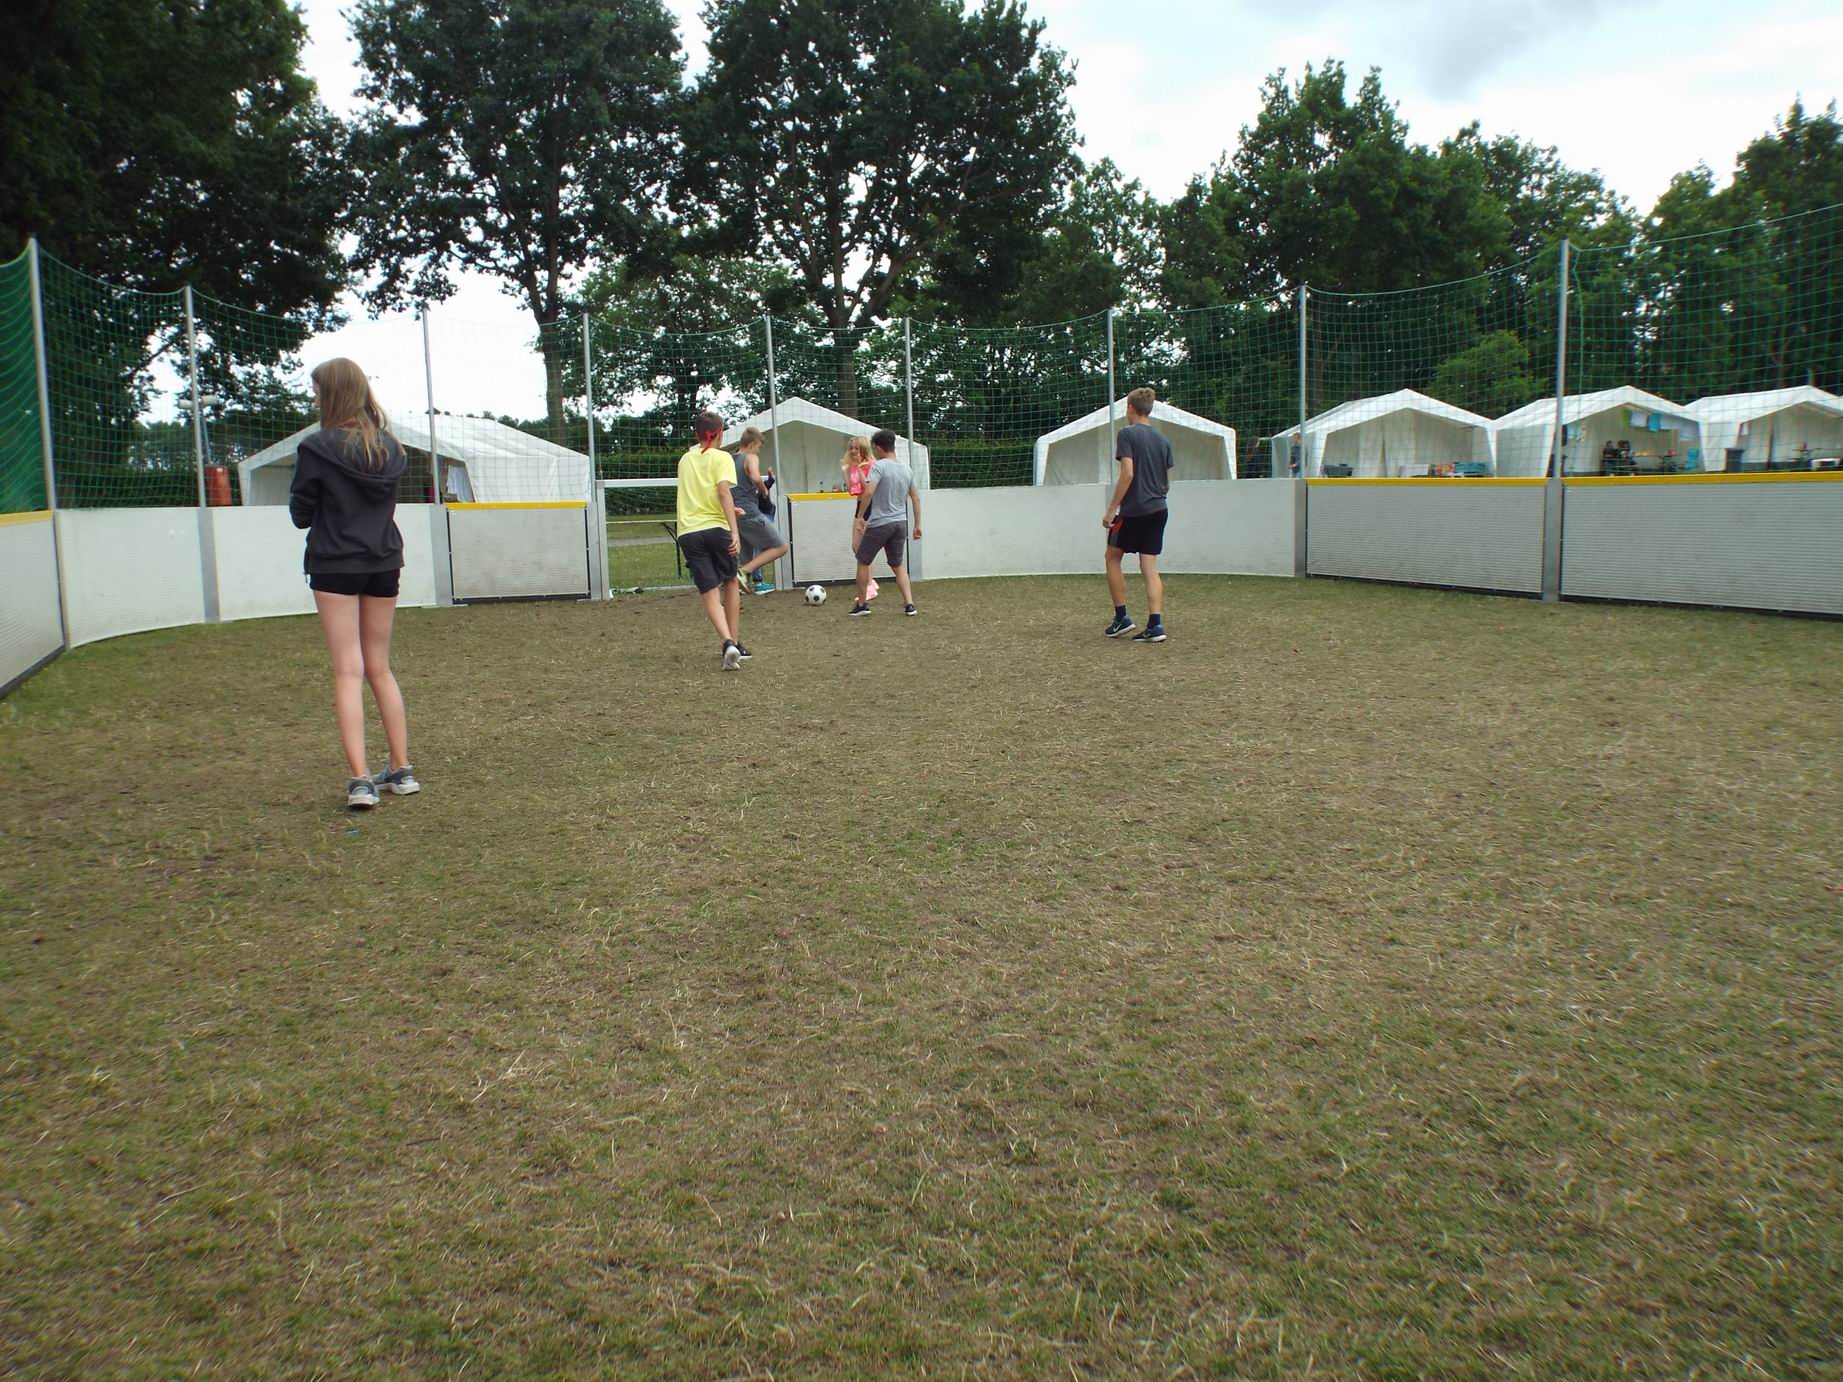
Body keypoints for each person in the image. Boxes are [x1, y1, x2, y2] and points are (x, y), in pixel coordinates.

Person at [289, 358, 418, 809]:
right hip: (384, 562)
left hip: (334, 564)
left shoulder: (315, 447)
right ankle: (401, 770)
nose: (315, 400)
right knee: (379, 666)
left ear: (331, 394)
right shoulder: (392, 448)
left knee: (348, 668)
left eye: (317, 392)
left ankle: (361, 781)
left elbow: (301, 514)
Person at [1102, 386, 1175, 643]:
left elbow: (1128, 473)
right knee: (1149, 565)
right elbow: (1167, 477)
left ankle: (1121, 618)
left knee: (1112, 557)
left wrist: (1112, 509)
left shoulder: (1127, 434)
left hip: (1134, 511)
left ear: (1131, 408)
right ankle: (1155, 624)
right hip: (1159, 508)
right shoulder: (1163, 439)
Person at [676, 409, 747, 669]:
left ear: (697, 434)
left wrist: (728, 510)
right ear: (720, 434)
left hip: (689, 532)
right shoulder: (722, 457)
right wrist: (734, 530)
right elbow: (722, 492)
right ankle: (735, 641)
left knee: (708, 589)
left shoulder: (685, 459)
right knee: (730, 580)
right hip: (717, 529)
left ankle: (727, 643)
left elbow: (698, 495)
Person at [848, 430, 922, 618]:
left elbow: (868, 492)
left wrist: (860, 517)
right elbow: (915, 498)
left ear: (878, 448)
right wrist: (917, 524)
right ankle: (909, 605)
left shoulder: (879, 467)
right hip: (900, 523)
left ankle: (862, 604)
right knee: (897, 565)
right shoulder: (907, 469)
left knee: (863, 560)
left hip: (880, 523)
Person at [731, 427, 788, 594]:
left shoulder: (729, 459)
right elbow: (756, 477)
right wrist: (764, 491)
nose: (758, 452)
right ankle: (743, 572)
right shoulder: (751, 457)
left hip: (732, 513)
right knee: (781, 546)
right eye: (759, 448)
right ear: (751, 445)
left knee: (745, 555)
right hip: (749, 511)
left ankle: (738, 584)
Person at [840, 436, 879, 601]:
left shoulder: (871, 465)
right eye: (851, 448)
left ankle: (869, 585)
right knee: (856, 546)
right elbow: (852, 490)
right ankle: (870, 581)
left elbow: (867, 487)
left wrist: (858, 468)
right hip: (860, 505)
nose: (853, 451)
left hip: (870, 506)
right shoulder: (853, 466)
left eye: (856, 448)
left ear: (863, 449)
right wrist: (846, 473)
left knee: (862, 547)